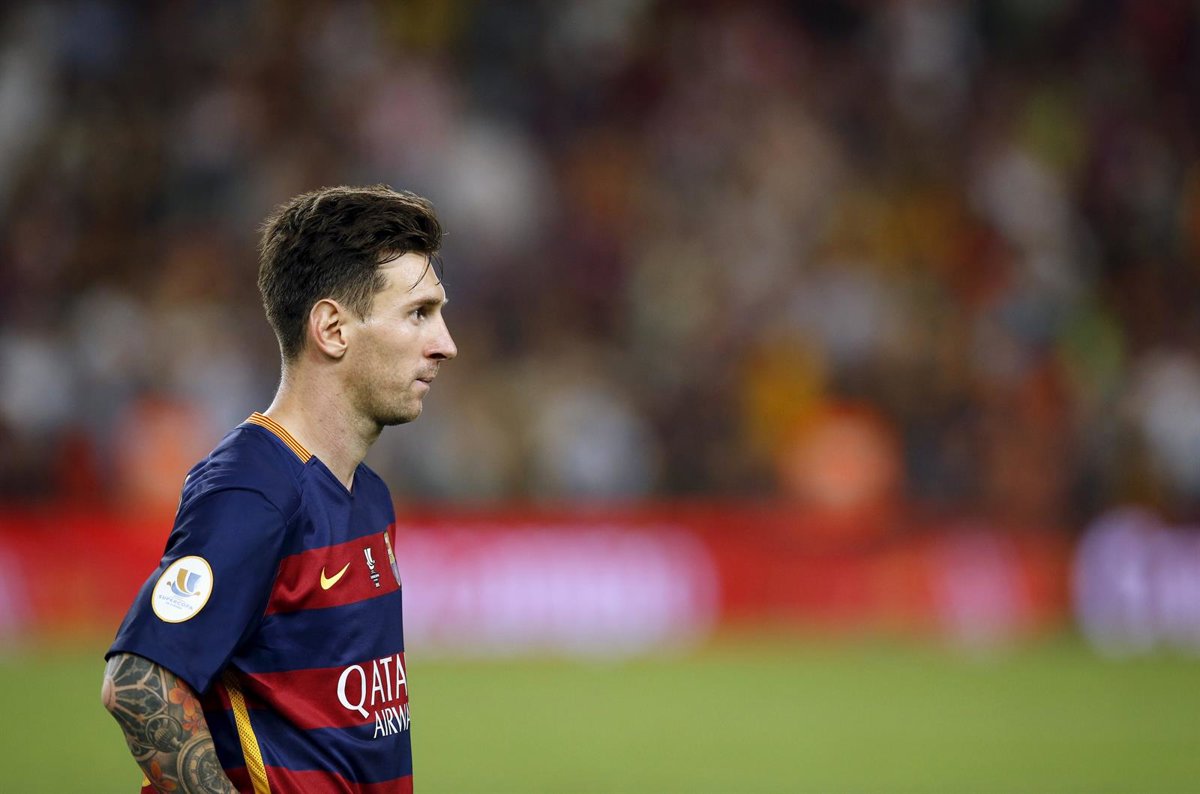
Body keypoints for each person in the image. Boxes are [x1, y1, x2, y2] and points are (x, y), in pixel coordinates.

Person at [101, 185, 457, 793]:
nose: (445, 344)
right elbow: (139, 683)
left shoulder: (368, 496)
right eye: (419, 313)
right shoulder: (253, 491)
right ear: (332, 329)